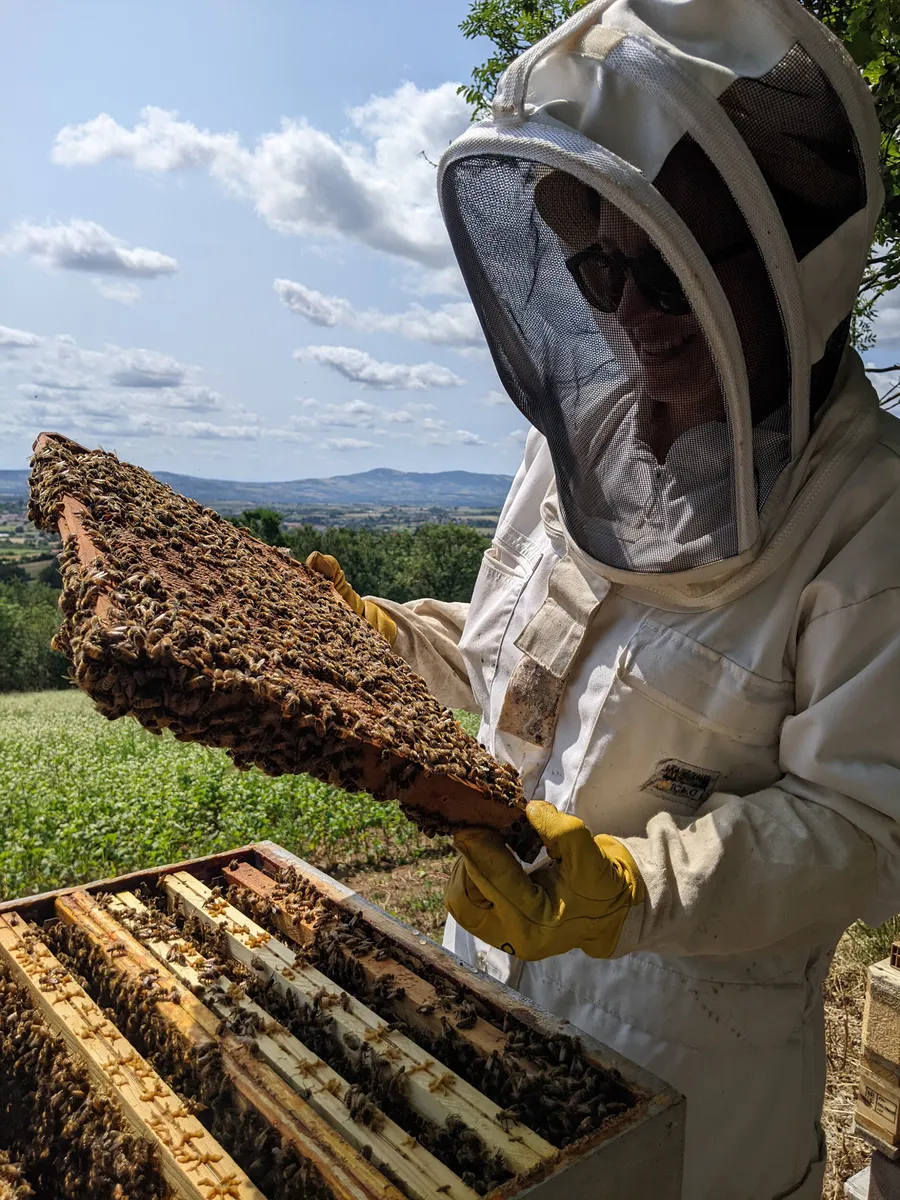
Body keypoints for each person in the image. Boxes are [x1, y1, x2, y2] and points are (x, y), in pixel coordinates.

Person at [308, 1, 900, 1195]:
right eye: (594, 269)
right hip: (481, 1006)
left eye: (668, 274)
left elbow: (861, 829)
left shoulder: (873, 521)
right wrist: (370, 645)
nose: (627, 316)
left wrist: (636, 886)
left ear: (784, 262)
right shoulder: (577, 451)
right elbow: (505, 682)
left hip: (698, 1100)